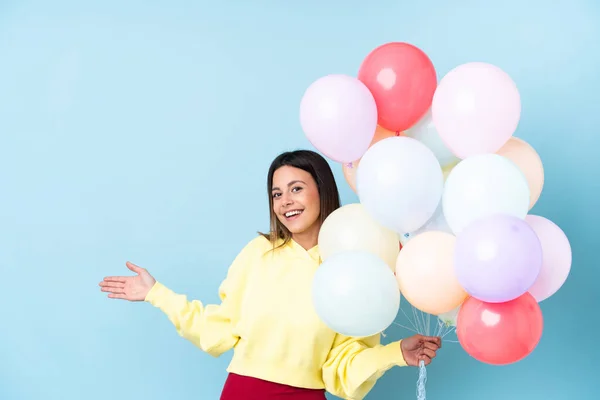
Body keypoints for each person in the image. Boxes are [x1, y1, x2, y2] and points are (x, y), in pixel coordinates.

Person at [99, 149, 442, 400]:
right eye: (277, 193)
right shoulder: (258, 253)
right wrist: (156, 293)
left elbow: (342, 370)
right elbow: (218, 330)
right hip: (242, 391)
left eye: (296, 188)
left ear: (321, 189)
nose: (284, 202)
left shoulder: (352, 264)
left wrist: (395, 353)